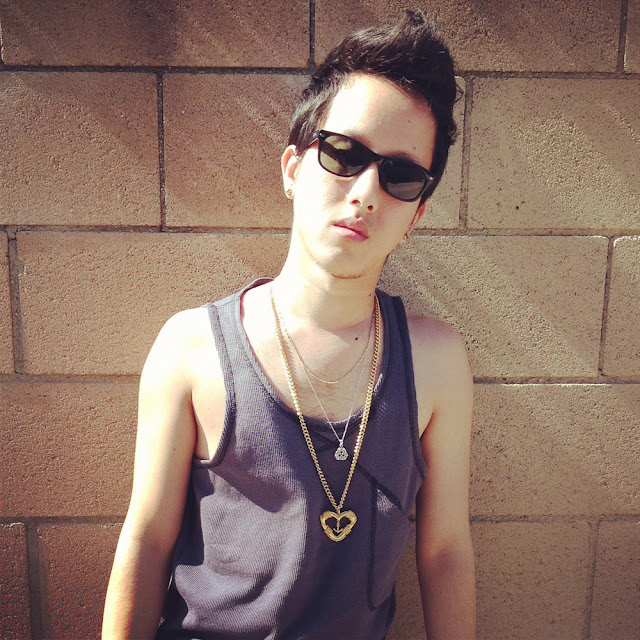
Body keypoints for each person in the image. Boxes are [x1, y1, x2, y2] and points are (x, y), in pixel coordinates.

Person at [102, 10, 475, 640]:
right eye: (343, 154)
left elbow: (444, 551)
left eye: (401, 175)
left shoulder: (435, 361)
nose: (366, 192)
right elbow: (146, 539)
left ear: (416, 213)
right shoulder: (191, 348)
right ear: (293, 169)